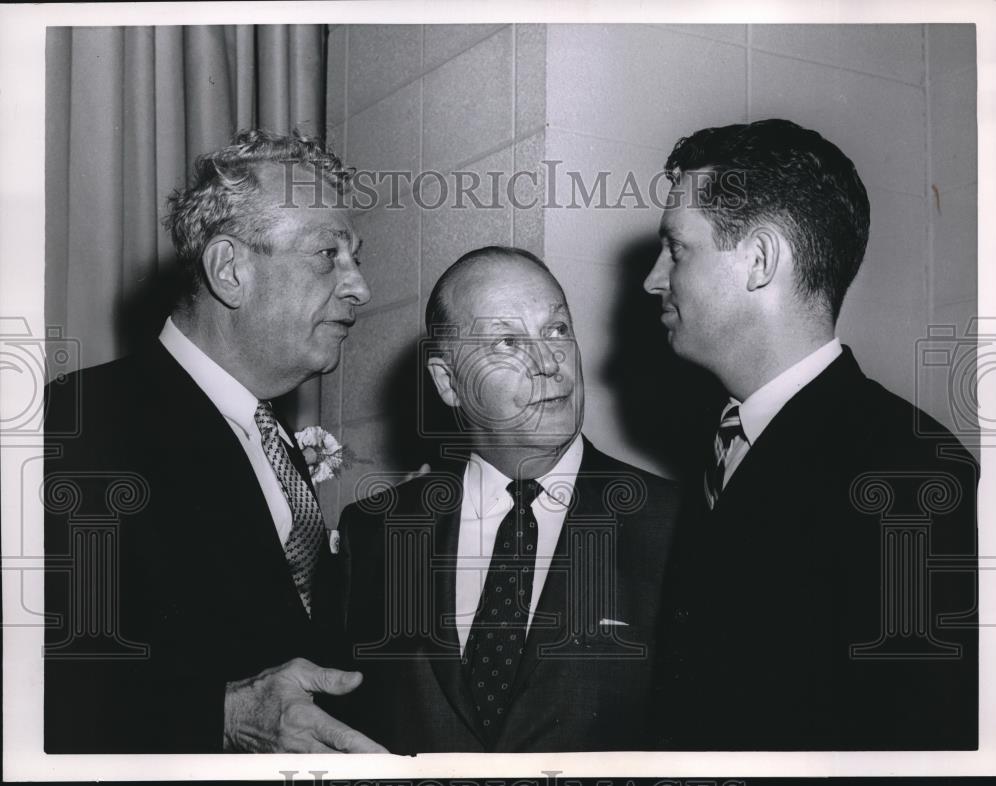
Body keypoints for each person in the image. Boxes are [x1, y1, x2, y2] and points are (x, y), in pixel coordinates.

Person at [44, 129, 386, 753]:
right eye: (327, 255)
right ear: (231, 270)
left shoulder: (275, 444)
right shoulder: (79, 420)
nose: (359, 286)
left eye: (356, 257)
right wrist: (221, 716)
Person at [644, 119, 978, 749]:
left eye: (677, 249)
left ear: (761, 260)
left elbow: (920, 743)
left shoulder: (909, 472)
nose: (653, 279)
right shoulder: (720, 445)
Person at [334, 246, 681, 752]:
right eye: (506, 342)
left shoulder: (675, 525)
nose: (548, 363)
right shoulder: (375, 533)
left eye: (557, 329)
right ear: (448, 383)